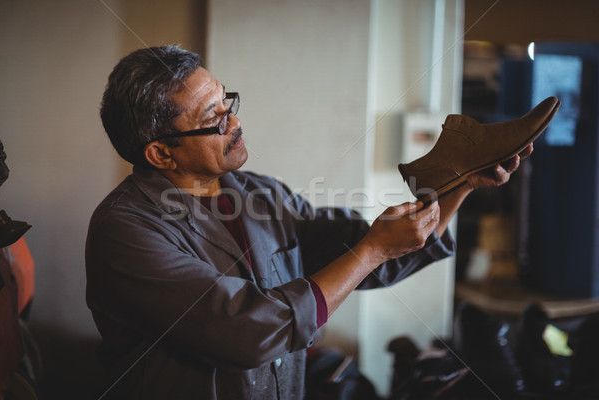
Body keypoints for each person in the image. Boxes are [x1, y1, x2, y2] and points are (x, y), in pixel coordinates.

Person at [86, 45, 531, 400]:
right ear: (161, 153)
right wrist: (371, 249)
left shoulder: (257, 193)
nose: (235, 122)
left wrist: (460, 185)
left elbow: (372, 257)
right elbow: (244, 332)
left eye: (228, 103)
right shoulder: (127, 231)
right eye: (213, 119)